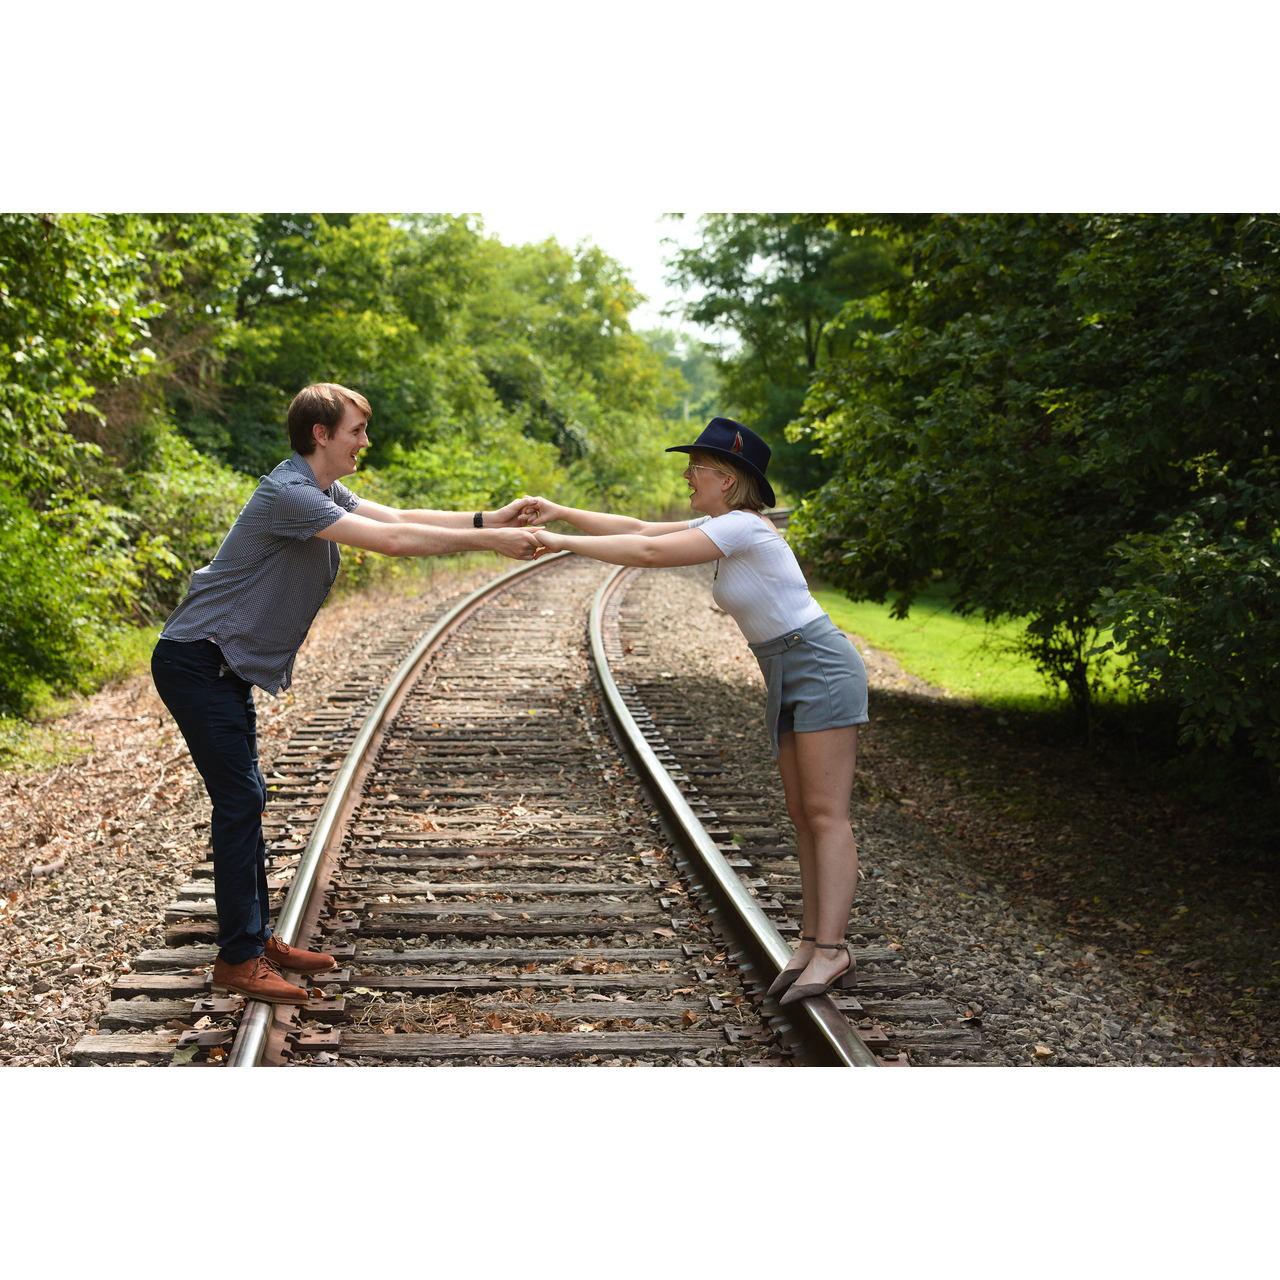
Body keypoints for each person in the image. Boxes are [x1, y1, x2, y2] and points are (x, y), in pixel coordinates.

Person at [151, 382, 543, 1004]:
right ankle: (238, 957)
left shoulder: (323, 490)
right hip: (196, 660)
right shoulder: (289, 494)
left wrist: (487, 520)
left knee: (246, 797)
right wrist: (490, 543)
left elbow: (397, 518)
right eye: (356, 430)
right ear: (321, 435)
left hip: (219, 665)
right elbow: (390, 542)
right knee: (240, 800)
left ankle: (253, 941)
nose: (365, 440)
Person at [521, 417, 869, 1005]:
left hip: (821, 665)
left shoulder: (743, 529)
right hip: (788, 668)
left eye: (697, 467)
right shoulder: (724, 525)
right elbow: (635, 527)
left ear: (727, 480)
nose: (688, 475)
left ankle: (833, 949)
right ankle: (813, 940)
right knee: (802, 812)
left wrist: (559, 543)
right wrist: (560, 511)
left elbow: (651, 550)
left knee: (825, 813)